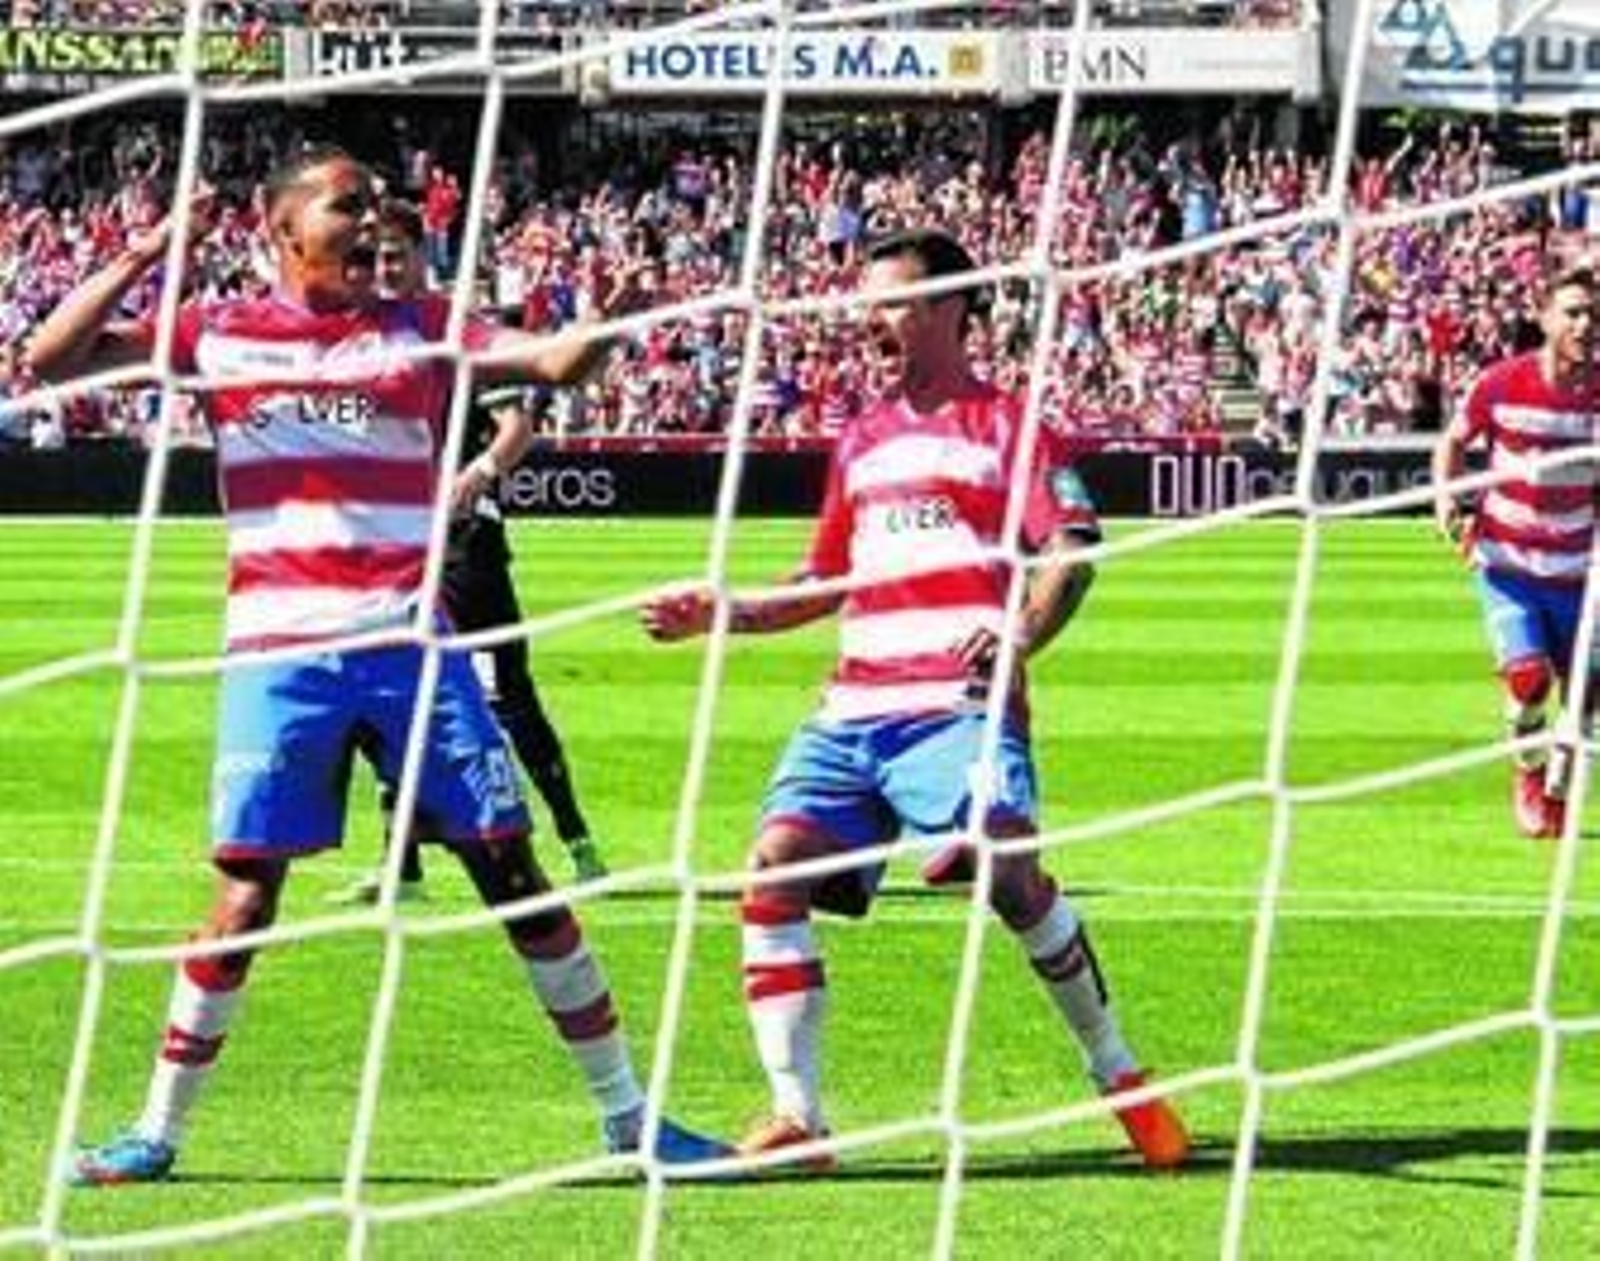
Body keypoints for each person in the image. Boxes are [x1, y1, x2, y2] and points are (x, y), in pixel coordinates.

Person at [28, 147, 726, 1185]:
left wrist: (611, 320)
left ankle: (628, 1115)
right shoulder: (220, 333)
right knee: (244, 897)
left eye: (376, 210)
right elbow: (51, 358)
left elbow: (553, 366)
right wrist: (143, 251)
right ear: (283, 231)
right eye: (346, 208)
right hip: (280, 655)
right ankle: (158, 1131)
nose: (370, 225)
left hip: (411, 646)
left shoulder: (425, 327)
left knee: (511, 871)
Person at [641, 228, 1190, 1171]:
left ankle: (1120, 1073)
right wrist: (719, 613)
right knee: (770, 871)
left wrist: (1019, 630)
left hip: (955, 702)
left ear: (950, 306)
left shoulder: (1009, 425)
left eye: (891, 300)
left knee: (1009, 874)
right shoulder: (859, 436)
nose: (870, 318)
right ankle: (798, 1118)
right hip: (851, 711)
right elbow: (823, 580)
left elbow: (1073, 549)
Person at [330, 198, 608, 903]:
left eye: (397, 254)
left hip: (464, 548)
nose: (385, 268)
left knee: (505, 698)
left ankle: (577, 841)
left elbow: (515, 424)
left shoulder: (459, 333)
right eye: (374, 256)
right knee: (382, 699)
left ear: (424, 256)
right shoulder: (357, 339)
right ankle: (403, 870)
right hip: (388, 552)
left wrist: (479, 472)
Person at [1432, 261, 1599, 840]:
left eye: (1593, 314)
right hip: (1509, 567)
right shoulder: (1502, 382)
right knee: (1528, 680)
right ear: (1545, 317)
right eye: (1573, 312)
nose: (1585, 324)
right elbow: (1453, 441)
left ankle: (1561, 773)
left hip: (1580, 574)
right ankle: (1528, 776)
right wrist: (1446, 502)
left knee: (1587, 697)